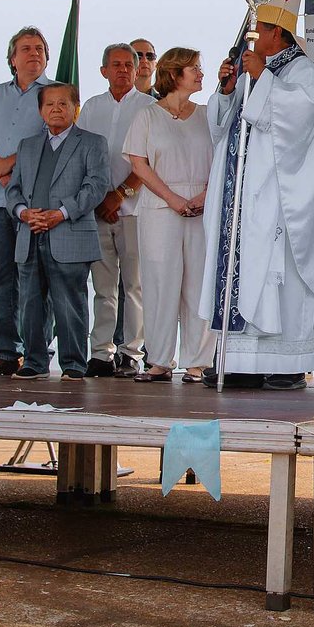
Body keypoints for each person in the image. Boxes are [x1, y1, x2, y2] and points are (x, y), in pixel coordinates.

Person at [202, 0, 314, 389]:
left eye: (259, 32)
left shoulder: (303, 72)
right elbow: (222, 127)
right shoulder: (256, 71)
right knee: (242, 270)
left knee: (278, 276)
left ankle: (286, 363)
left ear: (276, 34)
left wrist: (262, 77)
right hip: (242, 198)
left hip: (282, 201)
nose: (252, 40)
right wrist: (227, 91)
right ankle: (238, 362)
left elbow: (297, 120)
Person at [5, 82, 108, 380]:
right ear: (41, 111)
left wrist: (60, 213)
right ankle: (34, 362)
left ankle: (74, 364)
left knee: (69, 303)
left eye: (63, 103)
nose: (56, 109)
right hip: (30, 234)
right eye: (50, 104)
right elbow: (13, 190)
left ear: (75, 108)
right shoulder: (27, 145)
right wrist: (23, 212)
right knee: (30, 304)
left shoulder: (92, 143)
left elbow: (96, 186)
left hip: (70, 233)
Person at [125, 48, 214, 383]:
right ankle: (159, 360)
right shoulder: (147, 116)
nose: (201, 74)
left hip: (202, 208)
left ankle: (197, 361)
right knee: (160, 283)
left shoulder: (207, 114)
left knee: (199, 283)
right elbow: (138, 164)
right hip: (160, 208)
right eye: (194, 68)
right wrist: (172, 198)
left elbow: (224, 156)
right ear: (175, 74)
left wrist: (204, 195)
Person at [0, 27, 54, 376]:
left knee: (36, 279)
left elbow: (54, 139)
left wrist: (9, 165)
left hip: (36, 203)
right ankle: (6, 352)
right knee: (0, 278)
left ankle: (37, 355)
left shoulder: (55, 93)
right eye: (26, 48)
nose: (34, 54)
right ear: (12, 59)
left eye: (39, 49)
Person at [79, 43, 148, 377]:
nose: (122, 70)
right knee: (103, 287)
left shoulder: (149, 107)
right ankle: (101, 353)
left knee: (134, 286)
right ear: (103, 70)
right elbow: (82, 156)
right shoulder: (91, 107)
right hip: (97, 210)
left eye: (128, 65)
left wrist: (120, 195)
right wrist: (100, 198)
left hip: (135, 210)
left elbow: (150, 159)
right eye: (116, 64)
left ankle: (131, 352)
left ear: (136, 71)